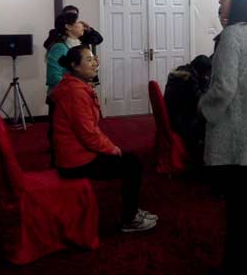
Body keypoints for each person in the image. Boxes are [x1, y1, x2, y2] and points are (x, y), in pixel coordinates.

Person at [198, 0, 247, 274]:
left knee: (237, 206)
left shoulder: (231, 35)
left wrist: (203, 106)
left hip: (234, 129)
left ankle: (236, 264)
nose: (220, 1)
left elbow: (224, 88)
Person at [51, 45, 158, 232]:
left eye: (94, 59)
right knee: (132, 165)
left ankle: (131, 211)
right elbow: (89, 134)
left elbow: (89, 130)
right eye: (89, 60)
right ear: (75, 66)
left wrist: (109, 147)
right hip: (75, 161)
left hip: (78, 153)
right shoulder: (75, 92)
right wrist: (112, 149)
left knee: (130, 160)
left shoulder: (75, 86)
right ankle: (130, 219)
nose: (95, 63)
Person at [45, 12, 84, 165]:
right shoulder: (59, 48)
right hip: (62, 98)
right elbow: (53, 77)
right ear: (68, 26)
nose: (82, 25)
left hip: (75, 95)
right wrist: (77, 84)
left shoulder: (79, 44)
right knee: (61, 138)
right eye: (78, 22)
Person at [164, 55, 212, 162]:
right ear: (202, 70)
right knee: (210, 123)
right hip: (182, 122)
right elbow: (200, 102)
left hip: (174, 116)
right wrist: (205, 84)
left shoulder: (181, 71)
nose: (208, 75)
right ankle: (200, 158)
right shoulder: (189, 80)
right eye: (207, 73)